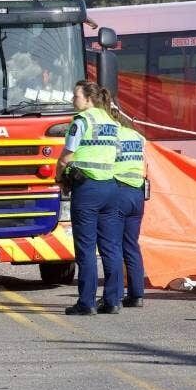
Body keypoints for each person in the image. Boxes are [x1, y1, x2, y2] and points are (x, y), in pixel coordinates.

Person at [56, 81, 123, 315]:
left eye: (76, 95)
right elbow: (118, 154)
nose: (73, 100)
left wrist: (58, 175)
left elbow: (67, 156)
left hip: (88, 190)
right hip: (111, 188)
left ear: (88, 99)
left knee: (85, 248)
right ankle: (113, 300)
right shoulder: (112, 122)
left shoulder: (81, 121)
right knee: (111, 247)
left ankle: (86, 303)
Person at [109, 93, 148, 308]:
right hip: (137, 192)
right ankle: (137, 295)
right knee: (131, 245)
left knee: (113, 245)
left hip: (119, 190)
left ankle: (113, 296)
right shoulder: (136, 136)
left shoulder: (110, 136)